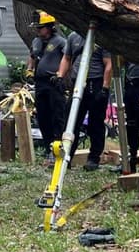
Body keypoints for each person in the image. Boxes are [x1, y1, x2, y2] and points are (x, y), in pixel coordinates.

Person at [56, 30, 113, 171]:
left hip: (96, 83)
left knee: (96, 122)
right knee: (71, 121)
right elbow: (67, 58)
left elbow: (109, 63)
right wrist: (60, 75)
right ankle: (66, 157)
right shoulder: (73, 37)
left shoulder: (100, 37)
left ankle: (94, 158)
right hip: (77, 84)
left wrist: (105, 88)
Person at [27, 12, 67, 158]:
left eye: (40, 28)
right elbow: (32, 56)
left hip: (54, 83)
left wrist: (61, 75)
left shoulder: (61, 42)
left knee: (56, 115)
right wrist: (29, 70)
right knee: (42, 115)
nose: (38, 31)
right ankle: (47, 145)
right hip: (40, 83)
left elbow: (68, 58)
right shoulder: (36, 42)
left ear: (50, 27)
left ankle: (57, 144)